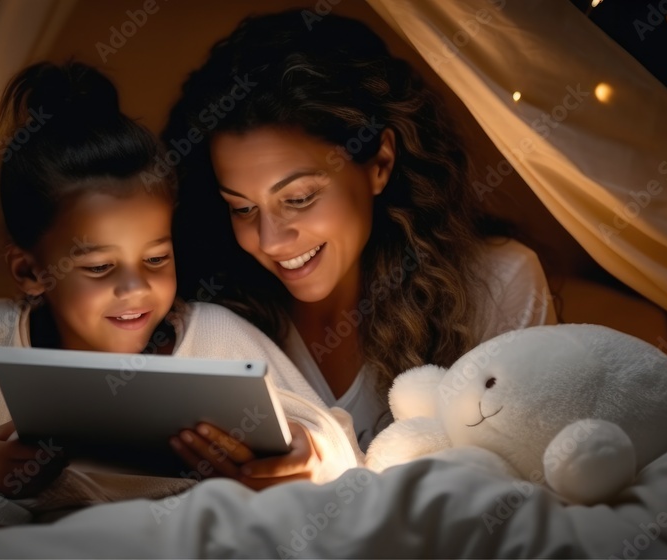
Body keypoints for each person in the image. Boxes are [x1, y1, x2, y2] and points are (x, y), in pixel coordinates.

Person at [0, 61, 359, 532]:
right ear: (31, 270)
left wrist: (300, 456)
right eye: (99, 267)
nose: (136, 289)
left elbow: (331, 438)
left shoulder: (215, 334)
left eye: (156, 259)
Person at [162, 11, 556, 452]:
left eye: (299, 198)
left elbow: (526, 489)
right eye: (242, 207)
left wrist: (321, 479)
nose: (270, 240)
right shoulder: (214, 313)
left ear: (380, 162)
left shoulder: (499, 285)